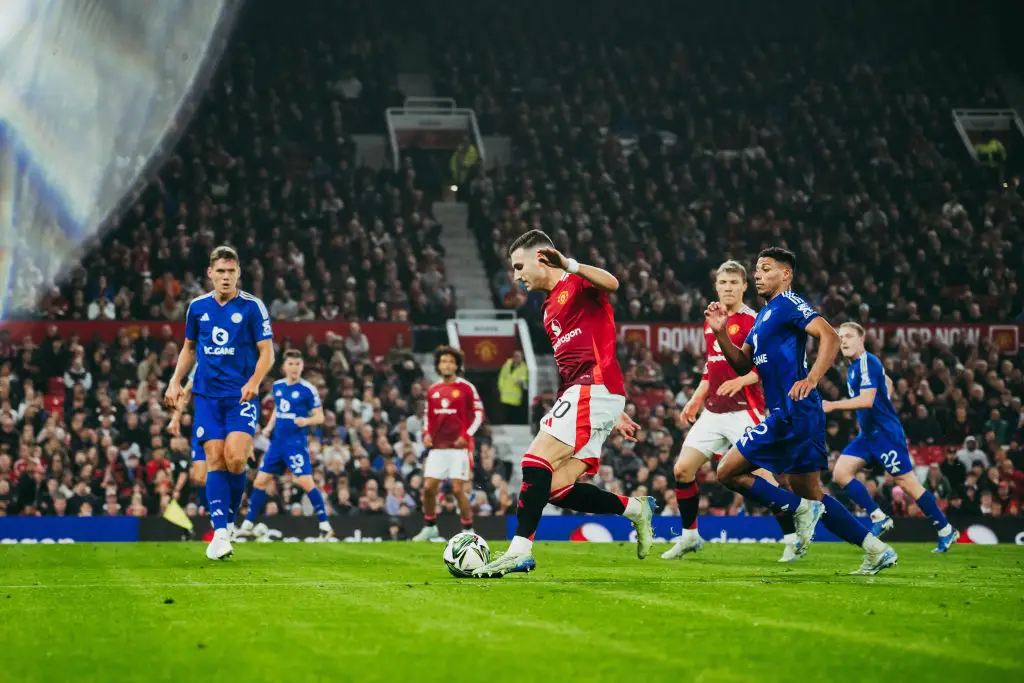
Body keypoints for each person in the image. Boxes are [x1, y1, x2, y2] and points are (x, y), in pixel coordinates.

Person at [473, 230, 653, 578]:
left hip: (594, 388)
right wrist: (614, 411)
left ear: (542, 257)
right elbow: (577, 363)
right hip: (593, 394)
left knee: (534, 460)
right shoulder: (547, 309)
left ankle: (519, 551)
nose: (516, 276)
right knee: (554, 488)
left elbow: (613, 283)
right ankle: (635, 509)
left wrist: (570, 263)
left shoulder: (579, 280)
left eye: (519, 266)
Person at [706, 247, 897, 575]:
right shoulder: (764, 317)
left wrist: (811, 378)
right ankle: (876, 549)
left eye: (766, 269)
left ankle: (800, 510)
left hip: (791, 413)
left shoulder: (789, 303)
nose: (758, 275)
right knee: (813, 496)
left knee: (727, 471)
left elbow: (830, 336)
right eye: (757, 270)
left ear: (786, 275)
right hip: (793, 415)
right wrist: (721, 333)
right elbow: (742, 363)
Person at [662, 261, 800, 563]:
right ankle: (690, 537)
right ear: (716, 286)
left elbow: (769, 367)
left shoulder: (755, 320)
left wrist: (741, 379)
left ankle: (793, 538)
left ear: (744, 286)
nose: (727, 287)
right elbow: (711, 367)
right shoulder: (712, 319)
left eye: (733, 283)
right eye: (722, 282)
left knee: (766, 477)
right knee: (682, 470)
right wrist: (696, 399)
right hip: (713, 412)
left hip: (744, 411)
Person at [164, 245, 275, 561]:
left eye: (231, 271)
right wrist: (174, 381)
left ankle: (227, 524)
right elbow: (188, 348)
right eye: (220, 271)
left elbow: (267, 352)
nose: (226, 277)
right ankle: (222, 532)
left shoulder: (253, 308)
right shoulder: (197, 308)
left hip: (240, 396)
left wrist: (254, 381)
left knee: (236, 459)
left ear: (239, 273)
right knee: (214, 459)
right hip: (207, 397)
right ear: (210, 274)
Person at [824, 322, 959, 552]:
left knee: (906, 482)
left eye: (848, 336)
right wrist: (884, 397)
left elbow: (866, 400)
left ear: (861, 340)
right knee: (840, 472)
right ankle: (879, 517)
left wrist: (833, 405)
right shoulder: (854, 367)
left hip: (886, 434)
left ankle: (946, 529)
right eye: (840, 336)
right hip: (868, 435)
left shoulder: (868, 362)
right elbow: (887, 383)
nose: (843, 340)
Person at [235, 350, 332, 541]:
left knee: (305, 482)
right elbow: (278, 409)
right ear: (284, 367)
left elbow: (320, 416)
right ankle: (248, 525)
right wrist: (269, 428)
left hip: (295, 444)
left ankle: (324, 524)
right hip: (277, 443)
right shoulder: (278, 386)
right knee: (260, 481)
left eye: (298, 364)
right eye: (291, 364)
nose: (294, 368)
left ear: (302, 367)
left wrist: (305, 421)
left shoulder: (308, 389)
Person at [411, 346, 485, 541]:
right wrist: (426, 434)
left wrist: (467, 435)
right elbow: (428, 417)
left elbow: (479, 414)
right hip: (437, 447)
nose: (447, 364)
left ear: (457, 365)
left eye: (451, 361)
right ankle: (430, 526)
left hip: (458, 448)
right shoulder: (433, 390)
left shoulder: (466, 388)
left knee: (457, 488)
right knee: (428, 487)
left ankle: (468, 530)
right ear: (438, 365)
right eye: (443, 361)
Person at [497, 350, 529, 424]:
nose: (517, 358)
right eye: (516, 356)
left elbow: (525, 381)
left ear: (522, 357)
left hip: (515, 398)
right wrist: (500, 388)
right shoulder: (507, 364)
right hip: (504, 396)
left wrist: (521, 382)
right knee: (504, 417)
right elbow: (501, 377)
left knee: (514, 417)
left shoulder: (524, 368)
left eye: (519, 356)